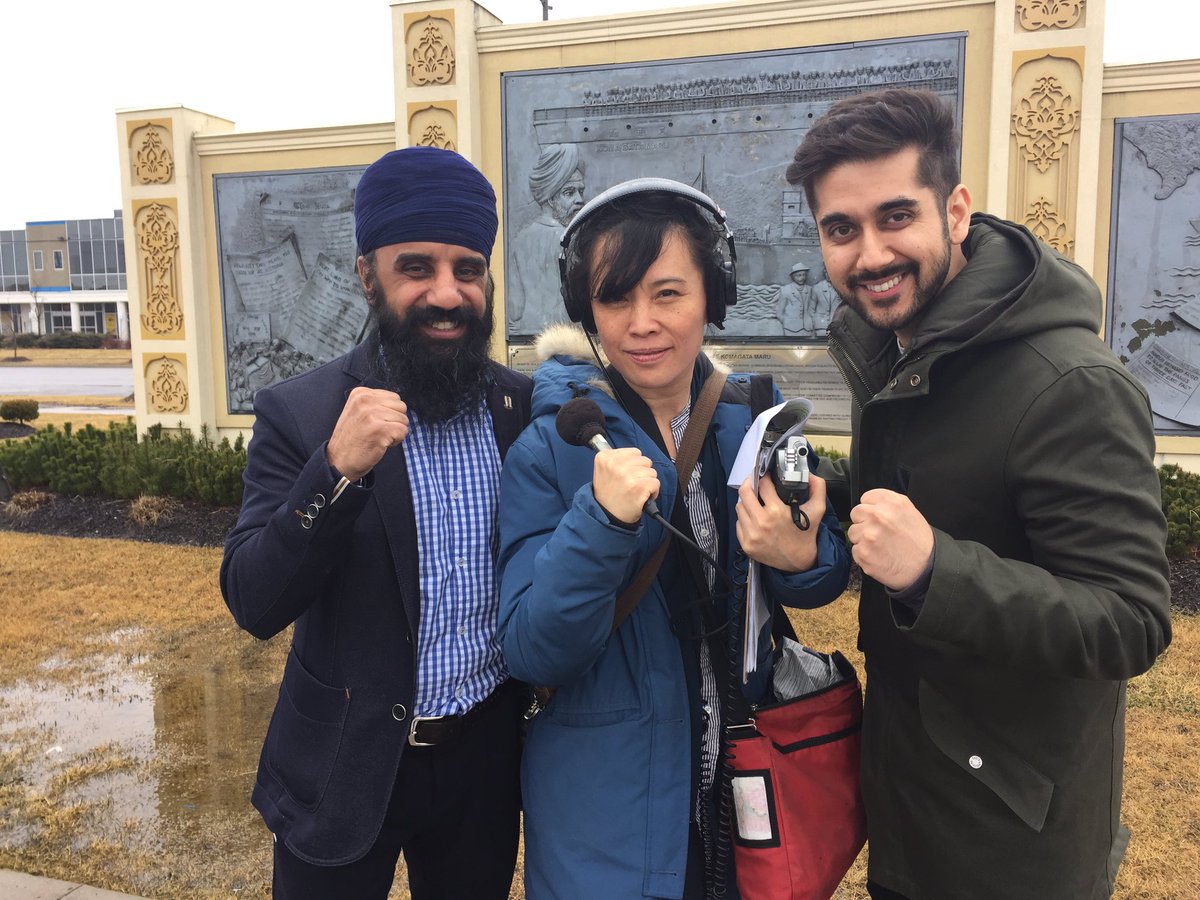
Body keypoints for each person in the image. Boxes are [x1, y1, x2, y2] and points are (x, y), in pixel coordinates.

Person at [785, 88, 1172, 899]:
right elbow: (948, 491)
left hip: (1012, 850)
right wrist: (829, 499)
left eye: (896, 216)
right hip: (915, 815)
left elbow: (1130, 620)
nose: (870, 254)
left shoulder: (1071, 385)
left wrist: (934, 573)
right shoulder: (904, 351)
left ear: (955, 211)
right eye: (841, 229)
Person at [496, 178, 850, 899]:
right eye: (614, 299)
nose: (642, 324)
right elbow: (533, 648)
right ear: (586, 310)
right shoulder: (552, 448)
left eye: (667, 294)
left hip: (742, 776)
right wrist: (601, 523)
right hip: (609, 810)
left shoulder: (755, 419)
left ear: (712, 296)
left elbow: (821, 570)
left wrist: (805, 555)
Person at [220, 146, 532, 899]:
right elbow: (253, 600)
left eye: (467, 269)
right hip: (341, 768)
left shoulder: (519, 410)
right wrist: (336, 470)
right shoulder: (302, 413)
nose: (447, 293)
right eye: (415, 268)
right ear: (368, 276)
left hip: (481, 772)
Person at [509, 143, 586, 335]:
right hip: (568, 338)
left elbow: (514, 309)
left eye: (581, 191)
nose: (579, 200)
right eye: (569, 193)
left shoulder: (518, 241)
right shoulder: (572, 242)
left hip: (529, 335)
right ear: (550, 198)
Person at [775, 261, 814, 336]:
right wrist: (787, 322)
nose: (802, 278)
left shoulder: (810, 289)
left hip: (807, 328)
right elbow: (779, 311)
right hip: (791, 328)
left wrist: (811, 321)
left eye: (804, 275)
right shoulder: (785, 290)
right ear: (793, 276)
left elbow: (812, 308)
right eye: (799, 275)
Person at [804, 262, 839, 338]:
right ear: (824, 272)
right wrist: (811, 328)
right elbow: (811, 310)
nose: (828, 275)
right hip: (820, 326)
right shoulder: (817, 288)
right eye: (827, 272)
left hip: (837, 326)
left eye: (831, 272)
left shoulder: (841, 287)